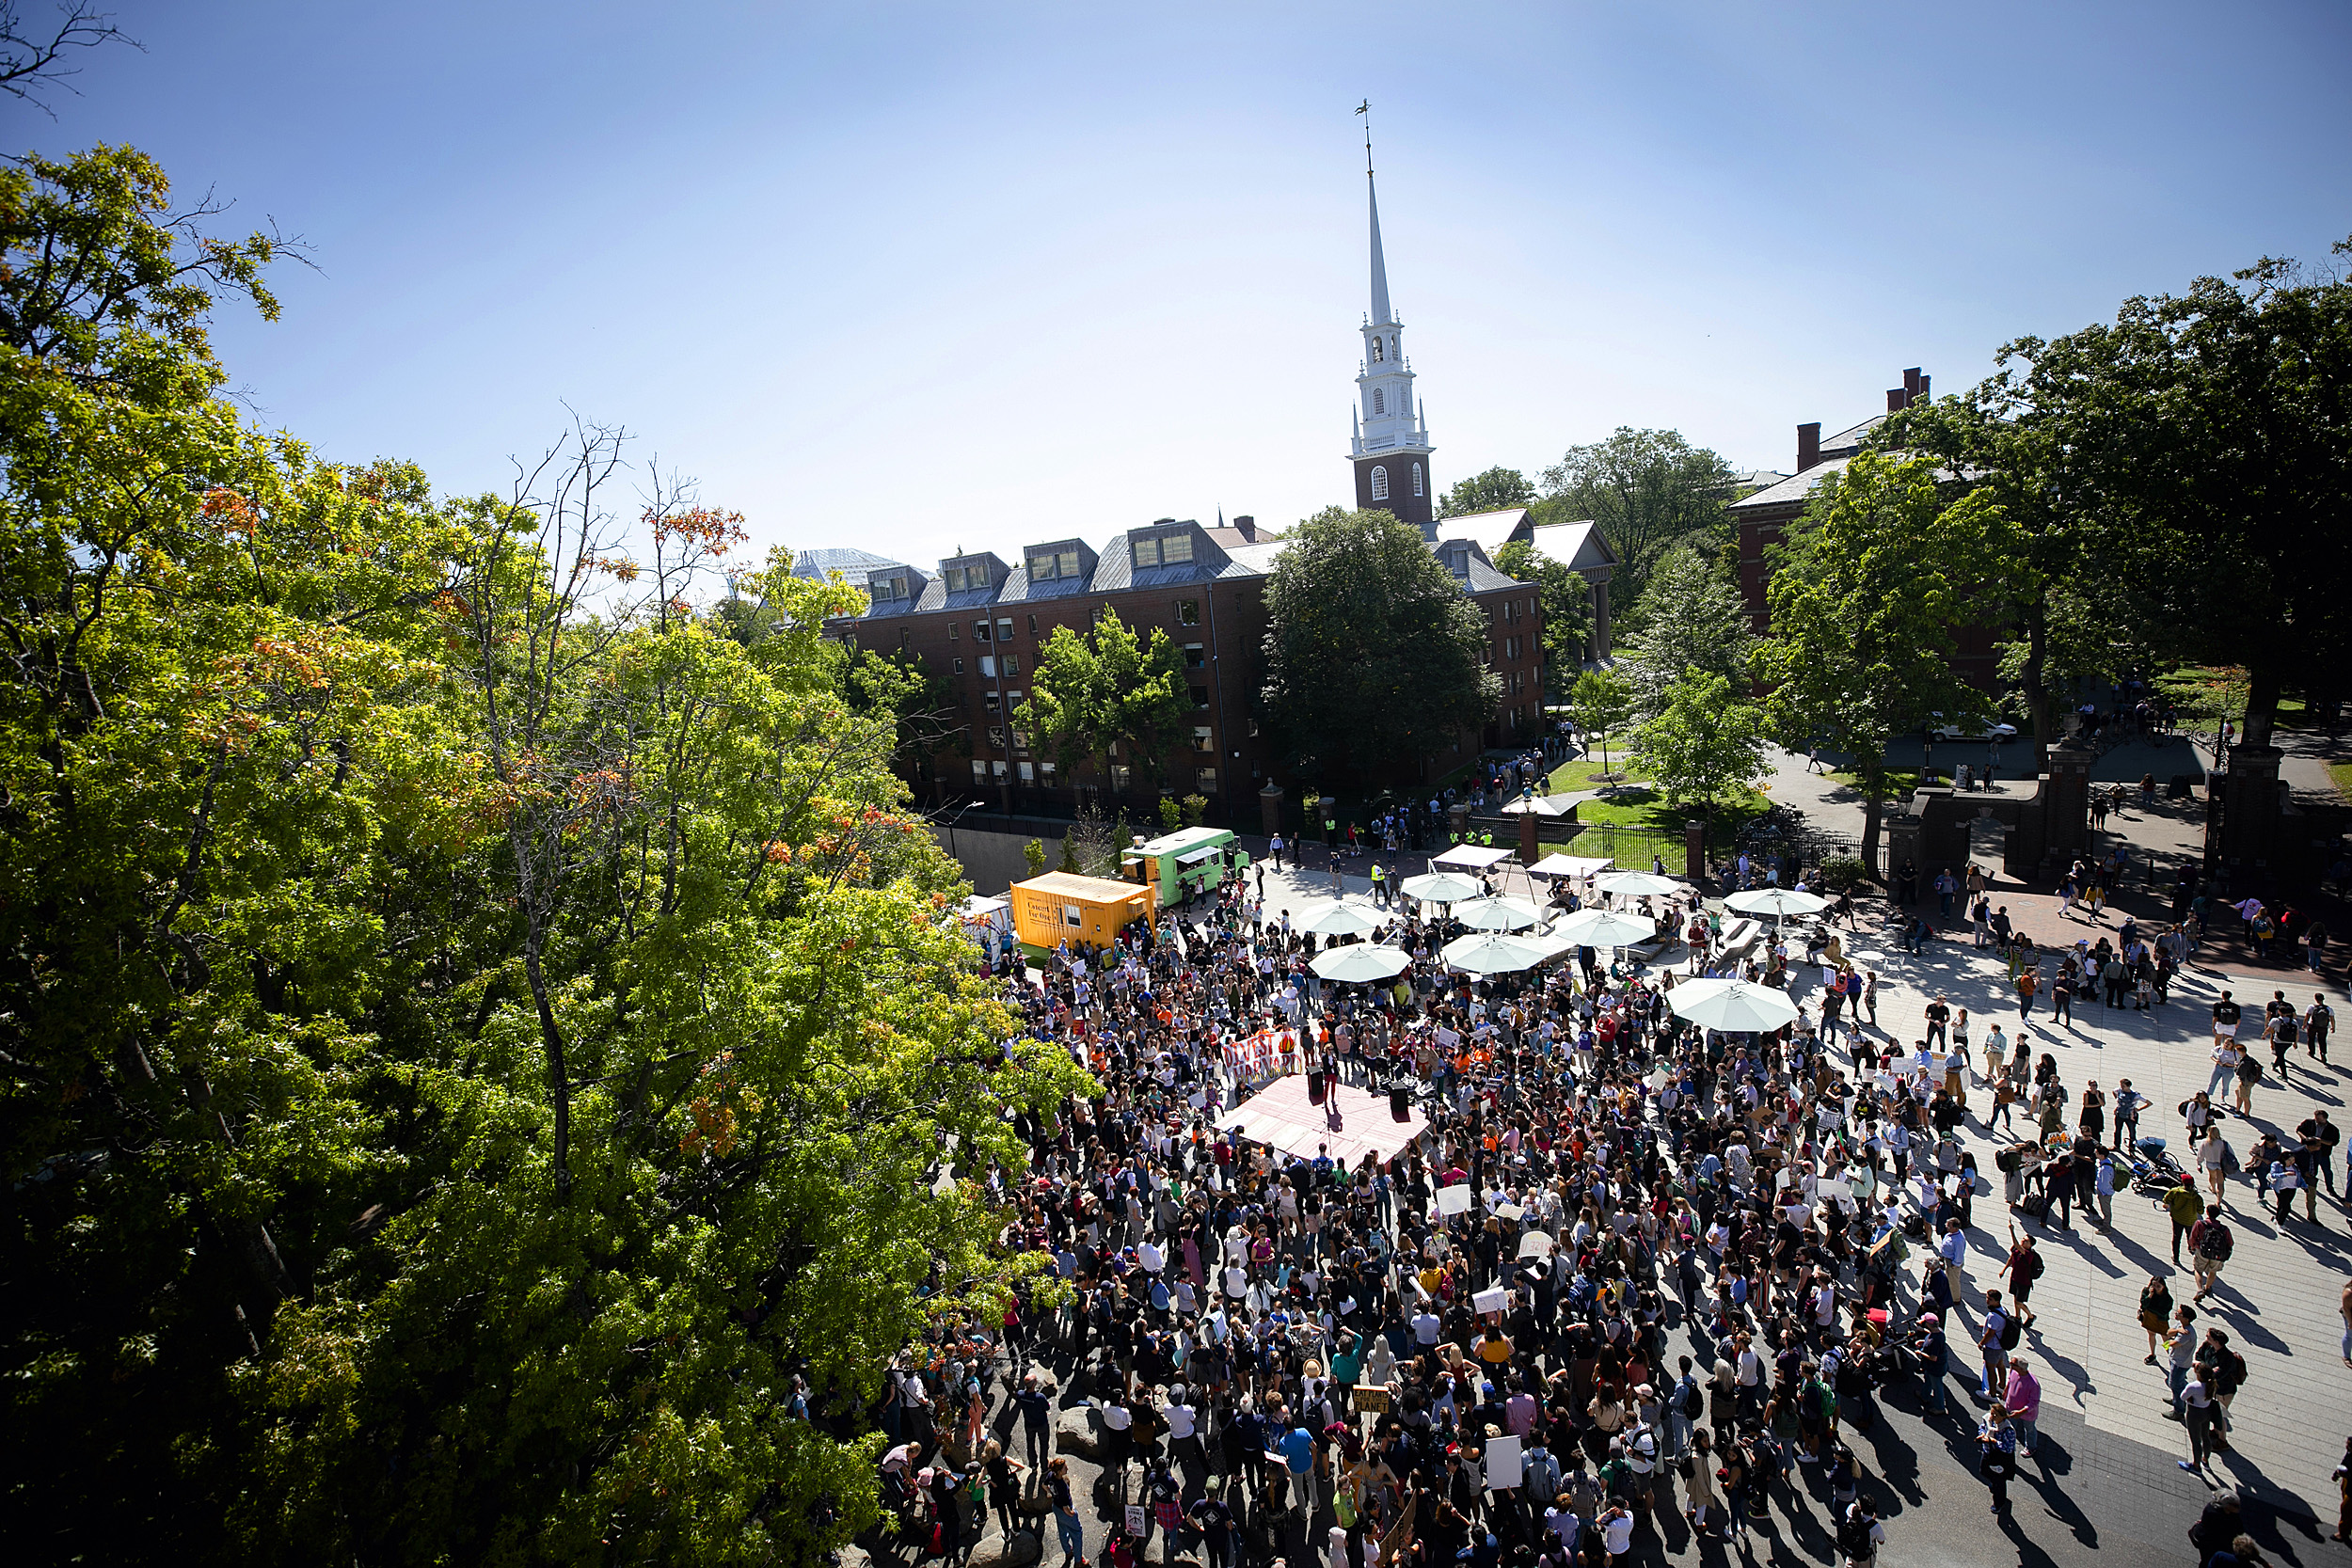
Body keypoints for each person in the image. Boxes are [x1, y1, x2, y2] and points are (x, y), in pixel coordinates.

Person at [1978, 1404, 2018, 1514]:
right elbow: (1982, 1427)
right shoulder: (1988, 1420)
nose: (1992, 1416)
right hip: (1988, 1453)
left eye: (1996, 1415)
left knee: (1999, 1482)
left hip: (2000, 1459)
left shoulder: (2008, 1430)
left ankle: (1999, 1504)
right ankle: (1994, 1483)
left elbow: (2008, 1448)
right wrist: (1982, 1434)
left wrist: (1994, 1442)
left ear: (2003, 1417)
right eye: (1992, 1413)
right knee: (1984, 1471)